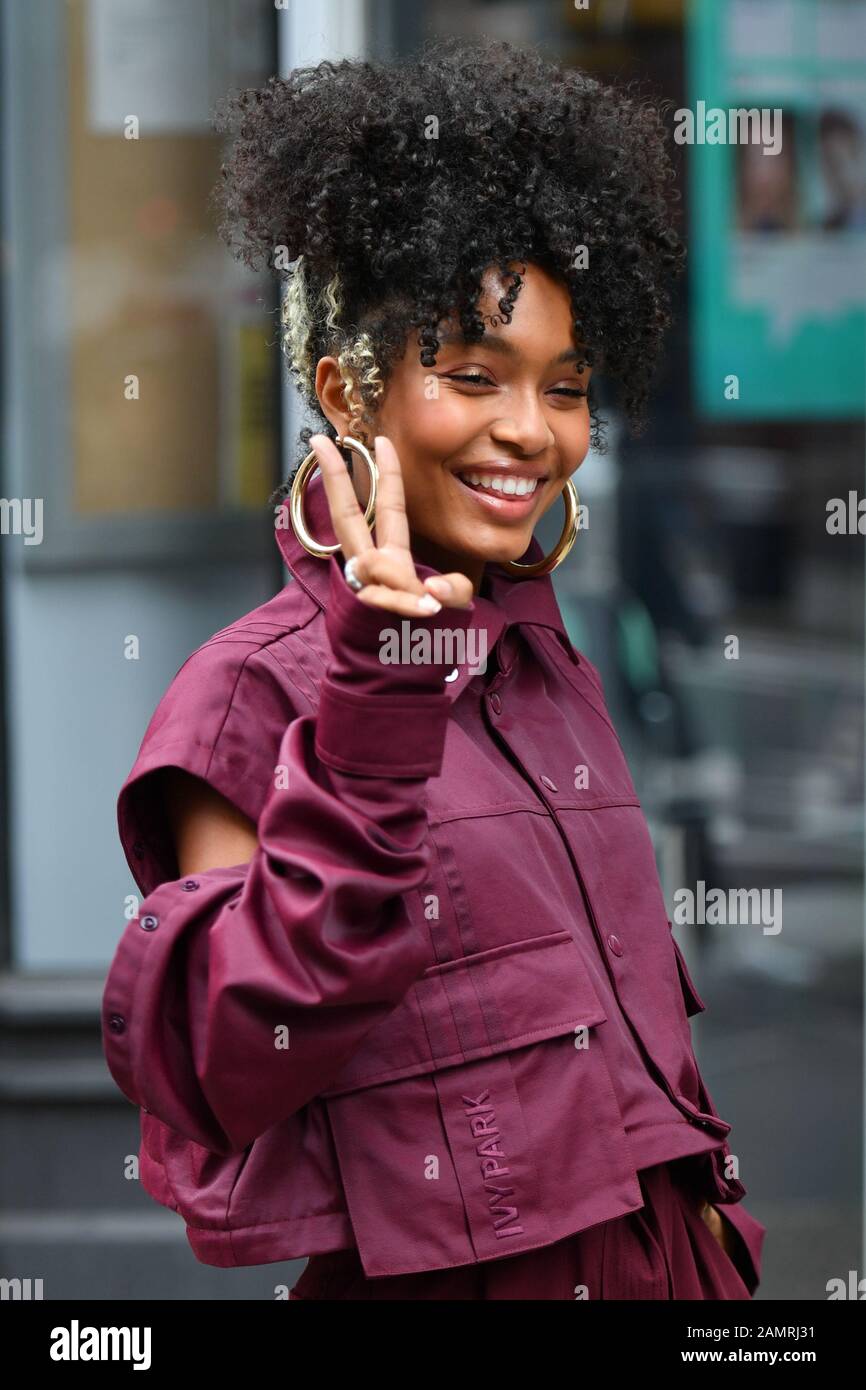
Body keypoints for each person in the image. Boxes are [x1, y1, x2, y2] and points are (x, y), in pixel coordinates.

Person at [102, 36, 766, 1300]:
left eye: (564, 388)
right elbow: (235, 1053)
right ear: (348, 390)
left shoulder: (540, 661)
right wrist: (376, 690)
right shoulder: (253, 692)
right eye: (472, 375)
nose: (530, 430)